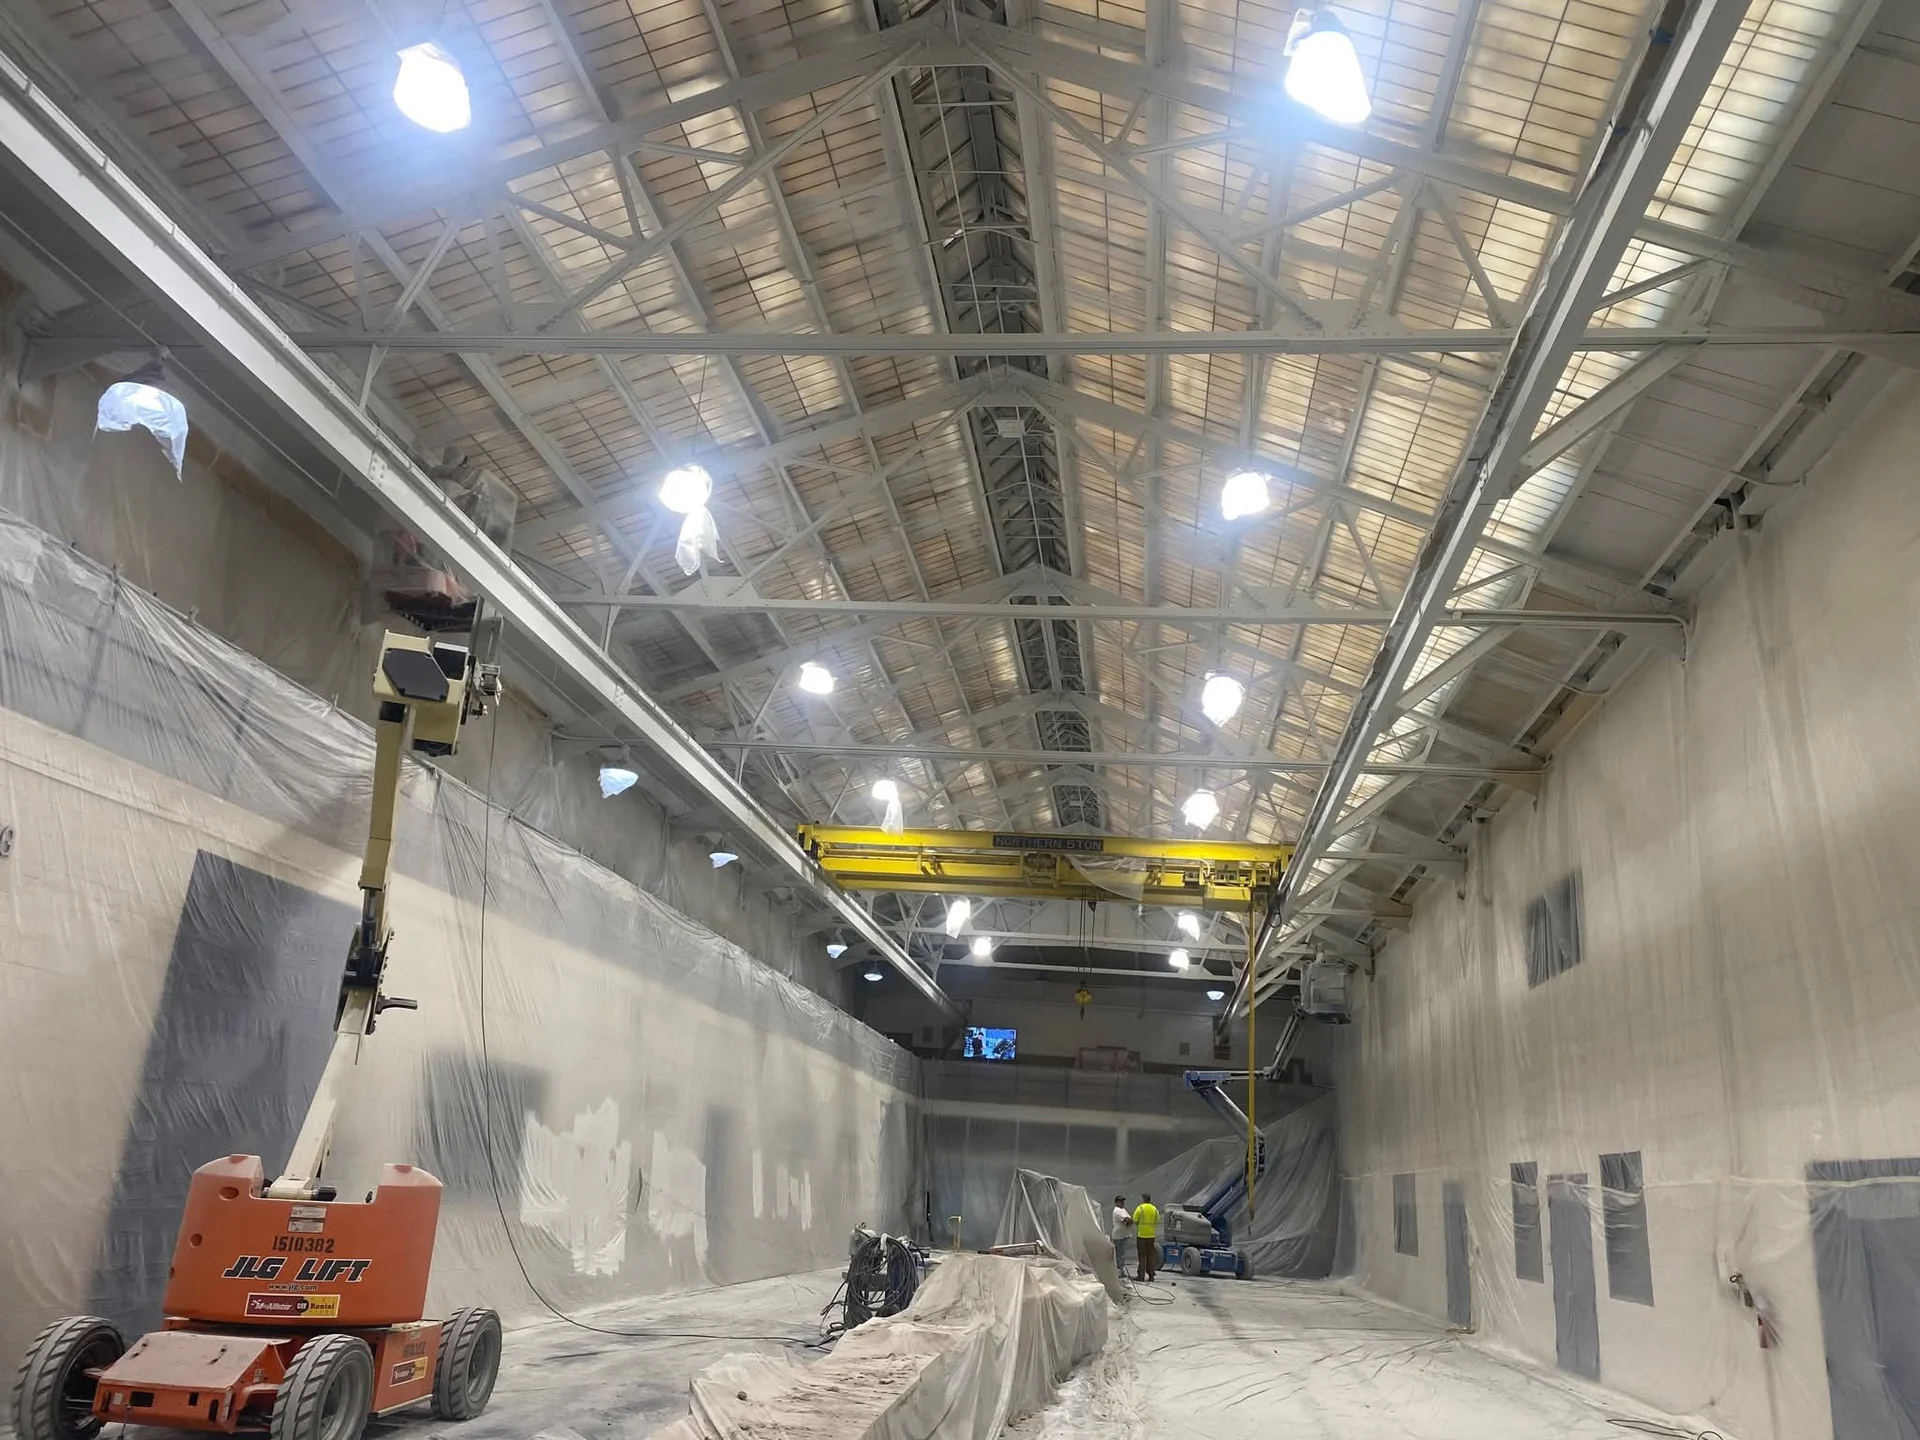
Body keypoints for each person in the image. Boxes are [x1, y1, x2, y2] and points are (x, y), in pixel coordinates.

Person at [1132, 1193, 1160, 1281]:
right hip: (1151, 1236)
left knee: (1142, 1257)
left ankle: (1141, 1276)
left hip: (1141, 1236)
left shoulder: (1140, 1208)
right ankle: (1151, 1276)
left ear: (1143, 1199)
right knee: (1150, 1256)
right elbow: (1157, 1220)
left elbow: (1135, 1219)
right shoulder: (1154, 1209)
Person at [1110, 1195, 1133, 1278]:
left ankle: (1120, 1270)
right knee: (1120, 1254)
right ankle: (1119, 1271)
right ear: (1116, 1202)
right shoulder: (1117, 1210)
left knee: (1120, 1254)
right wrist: (1128, 1221)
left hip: (1122, 1235)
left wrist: (1129, 1221)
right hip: (1119, 1236)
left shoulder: (1122, 1210)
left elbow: (1130, 1220)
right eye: (1120, 1201)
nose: (1122, 1203)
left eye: (1123, 1201)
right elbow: (1128, 1220)